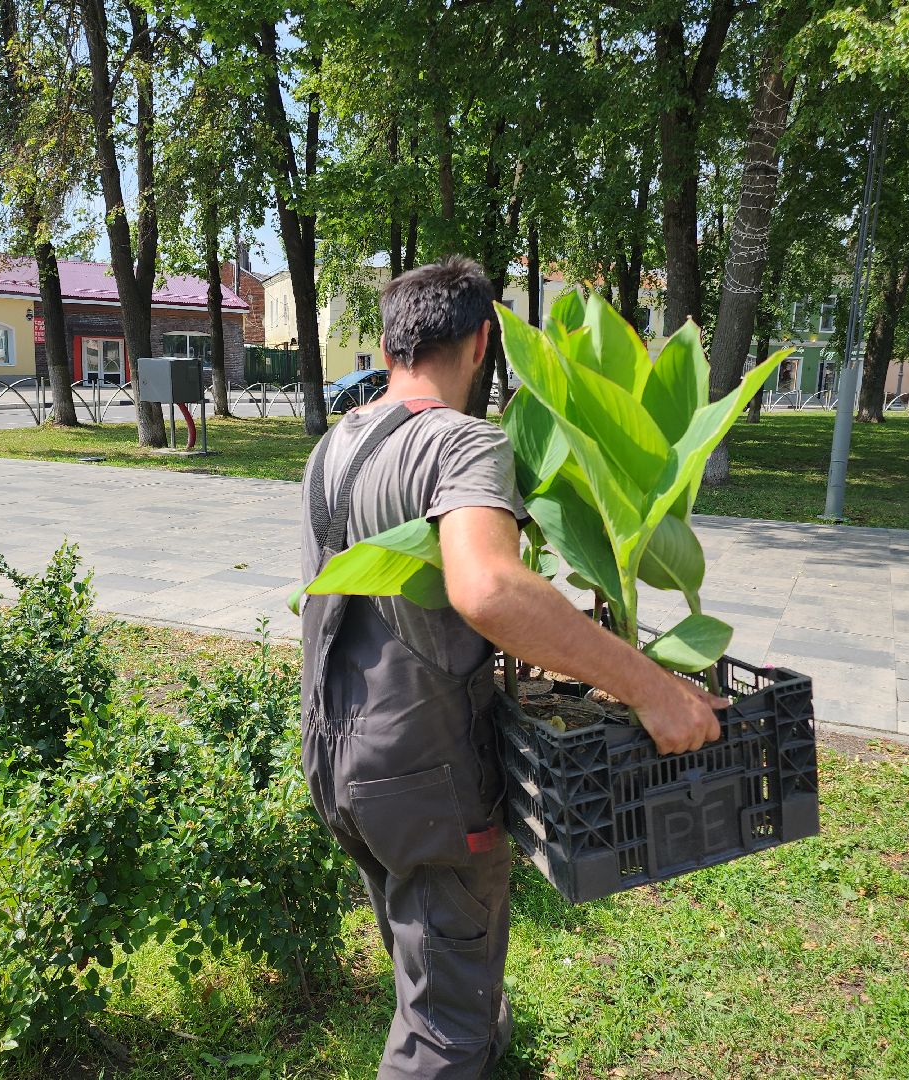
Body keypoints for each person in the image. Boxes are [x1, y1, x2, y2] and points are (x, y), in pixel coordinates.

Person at [299, 256, 725, 1079]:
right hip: (427, 777)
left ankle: (477, 1037)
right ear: (482, 340)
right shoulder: (459, 442)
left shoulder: (336, 444)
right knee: (440, 1034)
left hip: (340, 758)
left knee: (430, 958)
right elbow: (488, 588)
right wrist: (649, 686)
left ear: (391, 345)